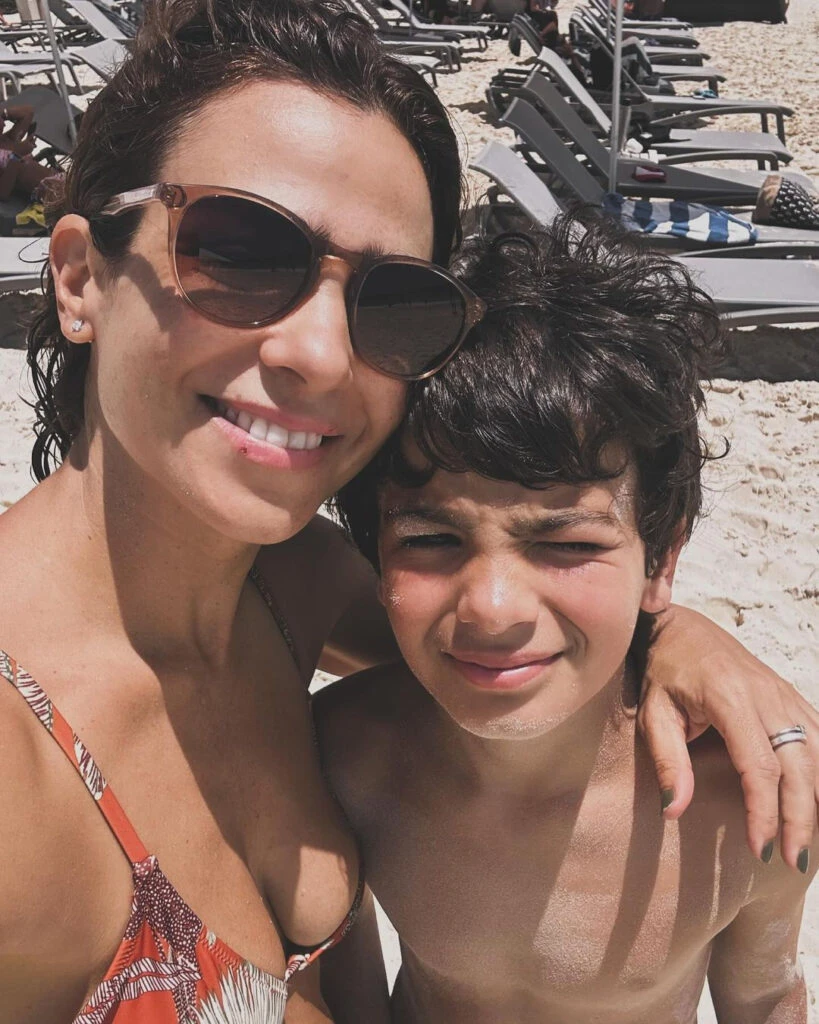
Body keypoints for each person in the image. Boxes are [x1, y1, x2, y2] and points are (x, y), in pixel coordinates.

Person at [0, 0, 816, 1021]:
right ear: (80, 278)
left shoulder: (285, 590)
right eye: (240, 251)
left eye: (389, 302)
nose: (319, 353)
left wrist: (676, 634)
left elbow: (517, 628)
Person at [318, 218, 818, 1022]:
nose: (492, 607)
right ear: (373, 553)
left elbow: (764, 993)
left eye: (568, 544)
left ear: (660, 558)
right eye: (432, 540)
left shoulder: (745, 796)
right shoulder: (345, 758)